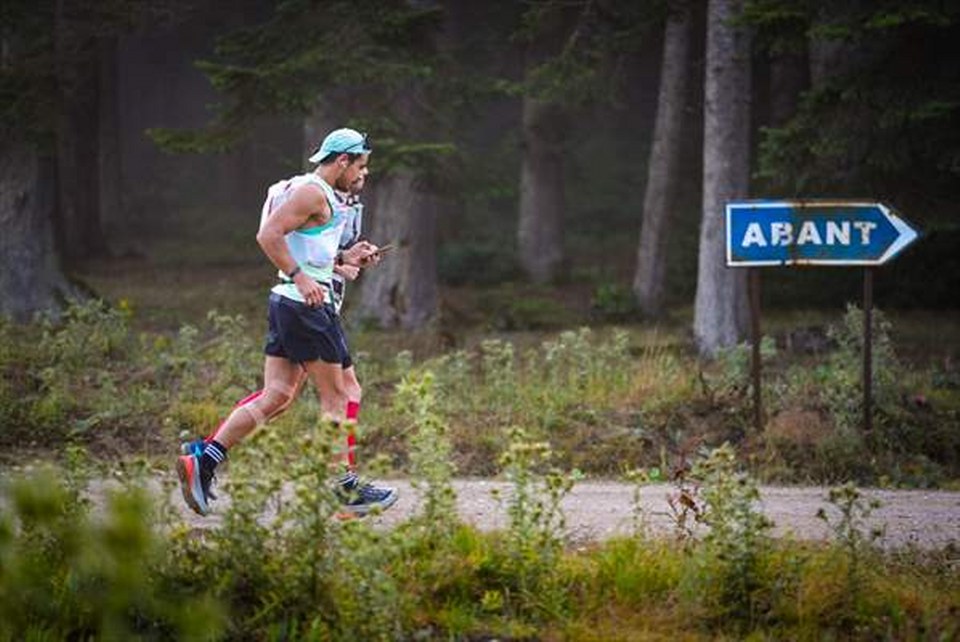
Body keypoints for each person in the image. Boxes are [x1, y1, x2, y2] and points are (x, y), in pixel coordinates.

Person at [177, 128, 397, 517]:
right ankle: (344, 489)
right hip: (306, 307)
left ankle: (204, 460)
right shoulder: (313, 191)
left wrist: (346, 257)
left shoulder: (324, 196)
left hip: (289, 304)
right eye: (360, 165)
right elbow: (268, 235)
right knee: (342, 395)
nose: (363, 173)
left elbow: (307, 249)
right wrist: (300, 276)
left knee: (277, 394)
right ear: (342, 161)